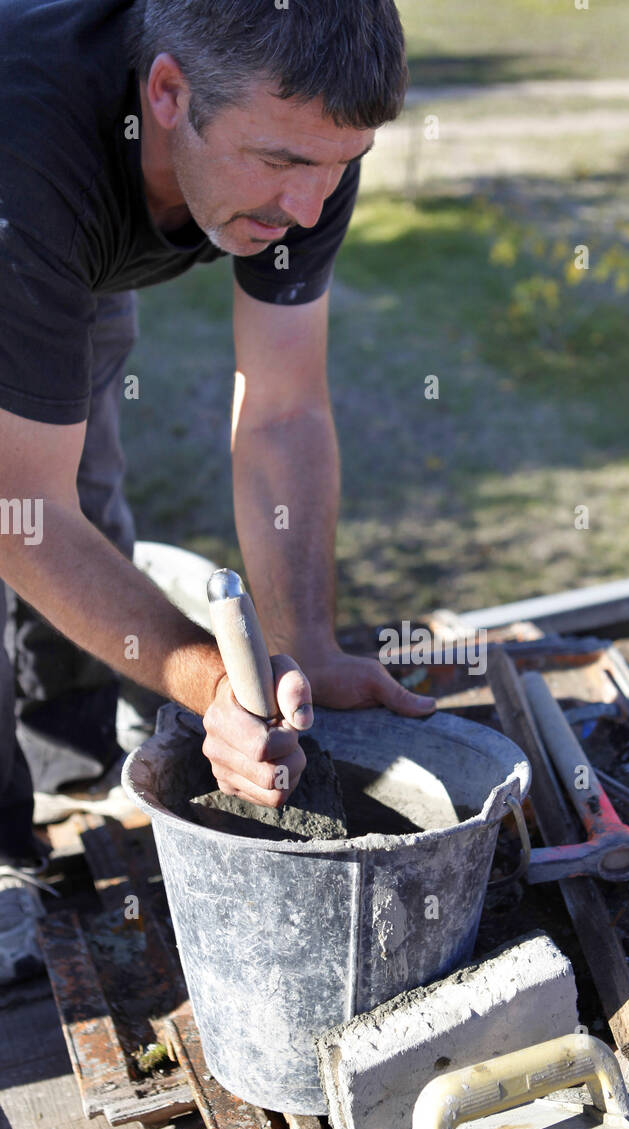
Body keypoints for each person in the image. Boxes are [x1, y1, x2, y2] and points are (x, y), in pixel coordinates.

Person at [0, 0, 435, 983]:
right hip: (22, 198)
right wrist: (208, 684)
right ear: (166, 93)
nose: (312, 210)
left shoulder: (306, 129)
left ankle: (69, 763)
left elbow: (281, 410)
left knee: (86, 496)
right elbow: (17, 514)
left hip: (72, 232)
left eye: (344, 162)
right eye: (281, 163)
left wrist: (310, 647)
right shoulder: (30, 157)